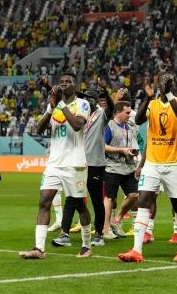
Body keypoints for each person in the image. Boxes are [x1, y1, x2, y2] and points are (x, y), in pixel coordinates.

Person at [19, 72, 93, 259]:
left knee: (79, 204)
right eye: (61, 82)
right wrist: (51, 108)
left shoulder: (83, 104)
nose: (64, 84)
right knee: (44, 201)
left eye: (68, 82)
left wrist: (60, 104)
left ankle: (86, 245)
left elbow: (77, 125)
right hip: (54, 163)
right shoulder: (54, 105)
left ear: (75, 86)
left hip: (75, 164)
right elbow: (39, 129)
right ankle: (39, 249)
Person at [118, 72, 177, 263]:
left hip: (174, 163)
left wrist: (170, 94)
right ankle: (136, 249)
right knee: (143, 200)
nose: (163, 84)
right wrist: (148, 97)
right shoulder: (153, 104)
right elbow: (139, 120)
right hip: (152, 163)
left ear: (173, 84)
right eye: (161, 81)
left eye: (167, 81)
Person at [52, 81, 113, 248]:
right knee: (71, 198)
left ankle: (99, 234)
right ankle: (64, 234)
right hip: (77, 162)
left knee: (96, 199)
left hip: (94, 164)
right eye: (85, 98)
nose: (87, 101)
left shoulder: (101, 114)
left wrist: (107, 93)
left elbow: (111, 108)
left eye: (91, 98)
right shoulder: (79, 115)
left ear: (97, 101)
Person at [103, 101, 139, 239]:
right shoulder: (109, 125)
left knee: (134, 195)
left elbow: (131, 142)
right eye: (127, 112)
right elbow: (103, 146)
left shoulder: (129, 126)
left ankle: (116, 220)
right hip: (113, 166)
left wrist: (132, 151)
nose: (130, 115)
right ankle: (106, 229)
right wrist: (121, 150)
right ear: (118, 112)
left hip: (128, 166)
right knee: (110, 198)